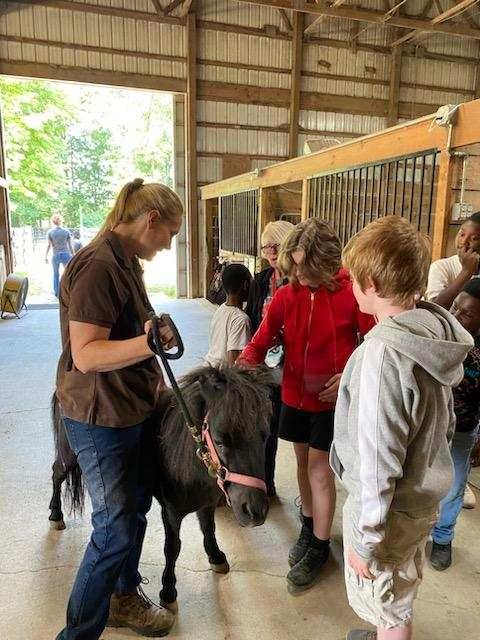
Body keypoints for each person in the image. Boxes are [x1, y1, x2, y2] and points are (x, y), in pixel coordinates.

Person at [331, 216, 473, 640]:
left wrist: (364, 539)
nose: (350, 286)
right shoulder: (432, 332)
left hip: (388, 510)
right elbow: (441, 425)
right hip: (420, 497)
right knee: (401, 584)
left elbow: (378, 460)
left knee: (389, 600)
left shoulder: (383, 356)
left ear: (371, 282)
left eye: (354, 279)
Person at [54, 178, 183, 640]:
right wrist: (147, 341)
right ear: (150, 220)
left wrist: (152, 329)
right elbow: (86, 355)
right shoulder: (97, 267)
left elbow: (126, 329)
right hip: (99, 414)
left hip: (130, 407)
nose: (169, 245)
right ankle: (78, 633)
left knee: (135, 508)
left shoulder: (126, 262)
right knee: (113, 530)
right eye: (169, 233)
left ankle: (124, 598)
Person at [239, 218, 374, 592]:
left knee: (319, 469)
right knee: (301, 463)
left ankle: (318, 543)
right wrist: (232, 376)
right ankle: (310, 523)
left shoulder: (352, 293)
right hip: (294, 396)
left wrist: (349, 373)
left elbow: (376, 342)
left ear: (329, 265)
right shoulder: (286, 295)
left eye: (306, 269)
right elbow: (259, 343)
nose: (298, 275)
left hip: (332, 401)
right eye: (293, 267)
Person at [426, 210, 480, 508]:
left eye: (475, 239)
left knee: (457, 468)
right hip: (440, 392)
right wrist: (465, 274)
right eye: (462, 234)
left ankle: (444, 533)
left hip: (467, 412)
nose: (466, 243)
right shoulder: (443, 267)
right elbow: (436, 310)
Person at [429, 278, 480, 570]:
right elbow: (434, 307)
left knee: (455, 485)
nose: (457, 316)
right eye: (456, 307)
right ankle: (415, 529)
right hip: (431, 425)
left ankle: (443, 538)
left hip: (463, 427)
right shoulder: (440, 331)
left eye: (468, 313)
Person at [245, 219, 295, 497]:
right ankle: (264, 484)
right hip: (265, 364)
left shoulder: (298, 281)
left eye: (277, 245)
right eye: (266, 247)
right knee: (265, 427)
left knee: (287, 428)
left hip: (293, 366)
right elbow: (253, 318)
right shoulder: (262, 280)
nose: (271, 251)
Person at [205, 263, 252, 368]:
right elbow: (234, 362)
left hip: (209, 367)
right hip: (222, 376)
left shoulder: (221, 309)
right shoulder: (241, 319)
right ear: (246, 285)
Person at [45, 214, 74, 298]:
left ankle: (57, 292)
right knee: (68, 273)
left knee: (56, 274)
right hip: (66, 254)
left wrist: (45, 256)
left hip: (56, 255)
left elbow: (49, 245)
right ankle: (69, 289)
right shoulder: (66, 231)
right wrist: (73, 254)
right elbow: (70, 245)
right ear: (61, 221)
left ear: (53, 222)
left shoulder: (50, 232)